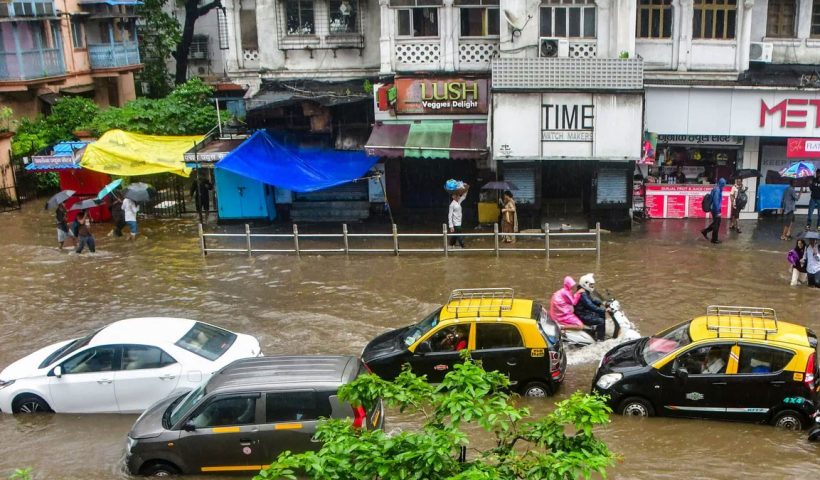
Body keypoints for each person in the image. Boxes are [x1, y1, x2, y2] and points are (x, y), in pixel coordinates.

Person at [573, 274, 607, 341]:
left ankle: (595, 331)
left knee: (601, 313)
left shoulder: (584, 291)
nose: (592, 286)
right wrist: (604, 310)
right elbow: (590, 305)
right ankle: (600, 340)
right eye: (591, 285)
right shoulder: (583, 294)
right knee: (601, 321)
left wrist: (602, 303)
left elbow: (592, 300)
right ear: (585, 284)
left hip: (584, 312)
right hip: (582, 315)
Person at [701, 177, 726, 244]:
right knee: (717, 224)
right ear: (721, 184)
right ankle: (714, 239)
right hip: (715, 209)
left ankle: (705, 232)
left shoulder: (717, 188)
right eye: (723, 184)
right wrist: (718, 211)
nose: (724, 186)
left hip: (715, 208)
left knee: (716, 223)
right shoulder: (717, 190)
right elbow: (715, 201)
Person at [448, 183, 469, 249]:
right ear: (453, 197)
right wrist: (451, 226)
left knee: (455, 235)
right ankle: (463, 246)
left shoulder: (459, 202)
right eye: (456, 195)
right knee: (459, 235)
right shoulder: (452, 205)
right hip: (455, 223)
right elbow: (450, 215)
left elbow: (464, 196)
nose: (458, 196)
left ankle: (450, 245)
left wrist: (466, 188)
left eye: (458, 195)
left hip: (459, 222)